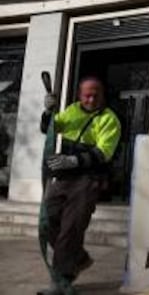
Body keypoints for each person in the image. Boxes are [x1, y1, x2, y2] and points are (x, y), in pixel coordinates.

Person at [40, 77, 121, 294]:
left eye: (95, 94)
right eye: (87, 94)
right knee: (47, 221)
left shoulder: (109, 119)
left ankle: (61, 279)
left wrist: (75, 160)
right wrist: (48, 112)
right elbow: (49, 128)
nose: (91, 98)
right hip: (64, 178)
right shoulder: (72, 110)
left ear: (102, 94)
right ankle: (79, 258)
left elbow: (104, 152)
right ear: (79, 95)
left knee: (71, 228)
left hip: (88, 180)